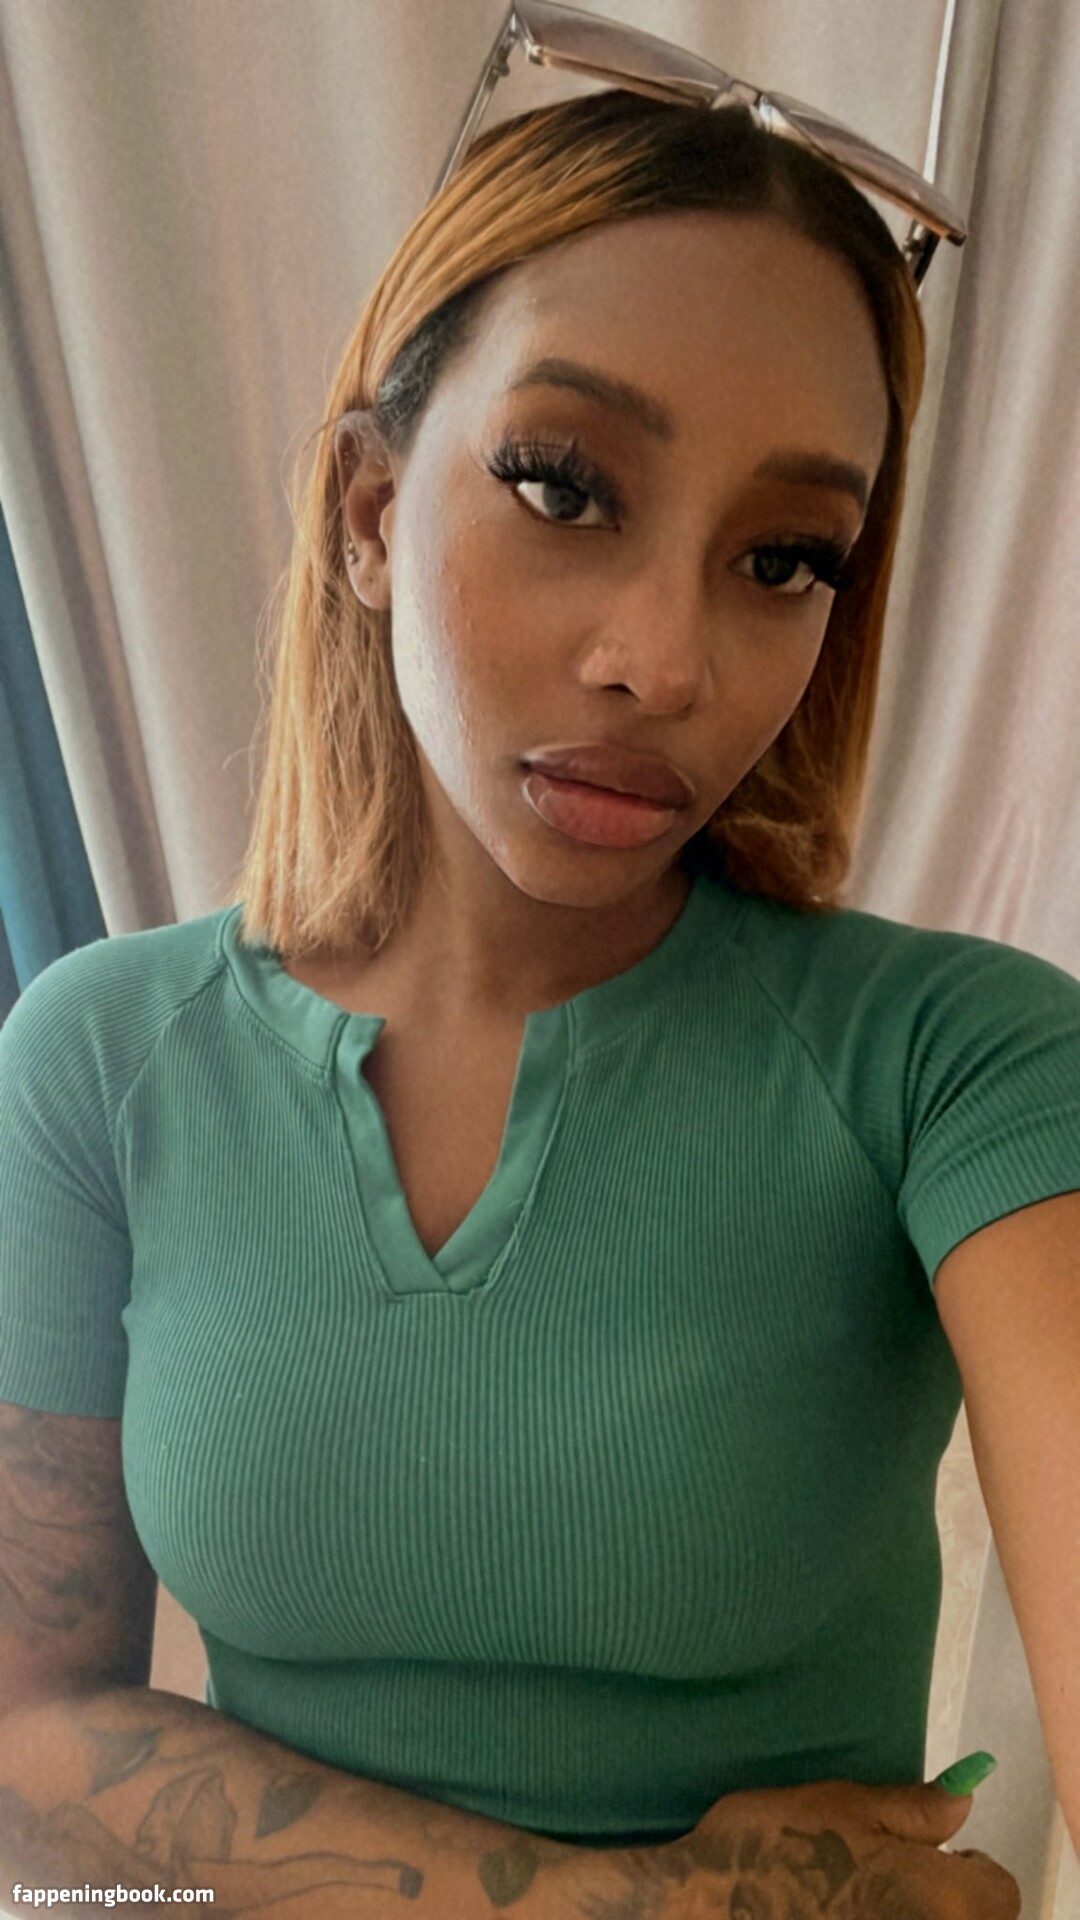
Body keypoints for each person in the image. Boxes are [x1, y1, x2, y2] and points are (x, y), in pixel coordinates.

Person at [3, 66, 1075, 1920]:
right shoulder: (99, 1061)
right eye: (563, 485)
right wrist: (636, 1906)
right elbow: (26, 1731)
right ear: (367, 509)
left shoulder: (957, 1066)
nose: (664, 659)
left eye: (784, 558)